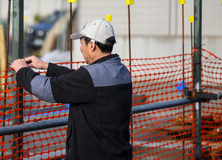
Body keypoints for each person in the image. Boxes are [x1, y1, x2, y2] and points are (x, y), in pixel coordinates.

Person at [11, 19, 133, 160]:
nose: (81, 48)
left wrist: (22, 71)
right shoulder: (121, 71)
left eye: (82, 44)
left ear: (92, 45)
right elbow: (80, 81)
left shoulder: (89, 77)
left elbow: (47, 89)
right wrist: (46, 66)